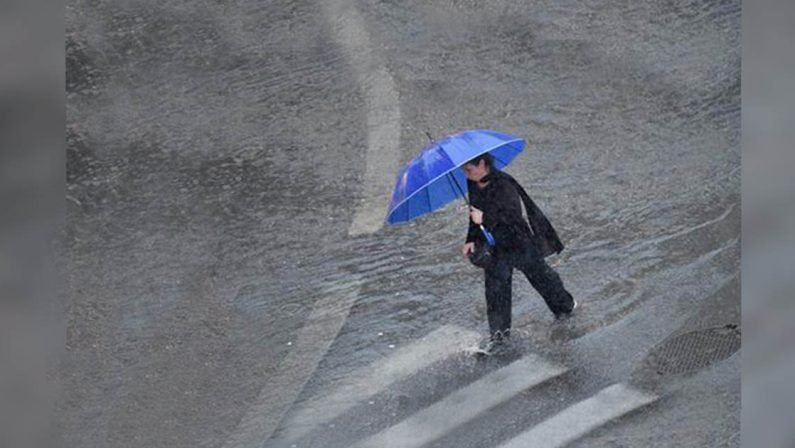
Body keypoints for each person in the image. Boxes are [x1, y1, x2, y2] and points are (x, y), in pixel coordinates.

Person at [461, 153, 577, 353]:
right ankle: (499, 337)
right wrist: (470, 239)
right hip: (495, 249)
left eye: (468, 169)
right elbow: (474, 217)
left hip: (518, 242)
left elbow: (511, 215)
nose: (466, 173)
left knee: (542, 277)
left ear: (482, 163)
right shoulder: (473, 184)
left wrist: (484, 217)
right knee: (496, 291)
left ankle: (566, 307)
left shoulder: (504, 183)